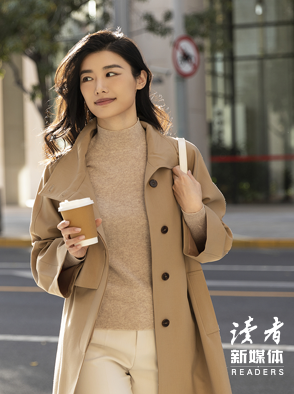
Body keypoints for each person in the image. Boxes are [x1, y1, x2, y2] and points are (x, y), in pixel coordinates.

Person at [29, 29, 233, 394]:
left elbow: (217, 246)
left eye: (111, 73)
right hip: (95, 339)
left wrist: (193, 212)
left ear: (140, 79)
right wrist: (70, 253)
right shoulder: (61, 169)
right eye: (87, 78)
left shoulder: (180, 157)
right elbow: (41, 252)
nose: (98, 87)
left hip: (170, 335)